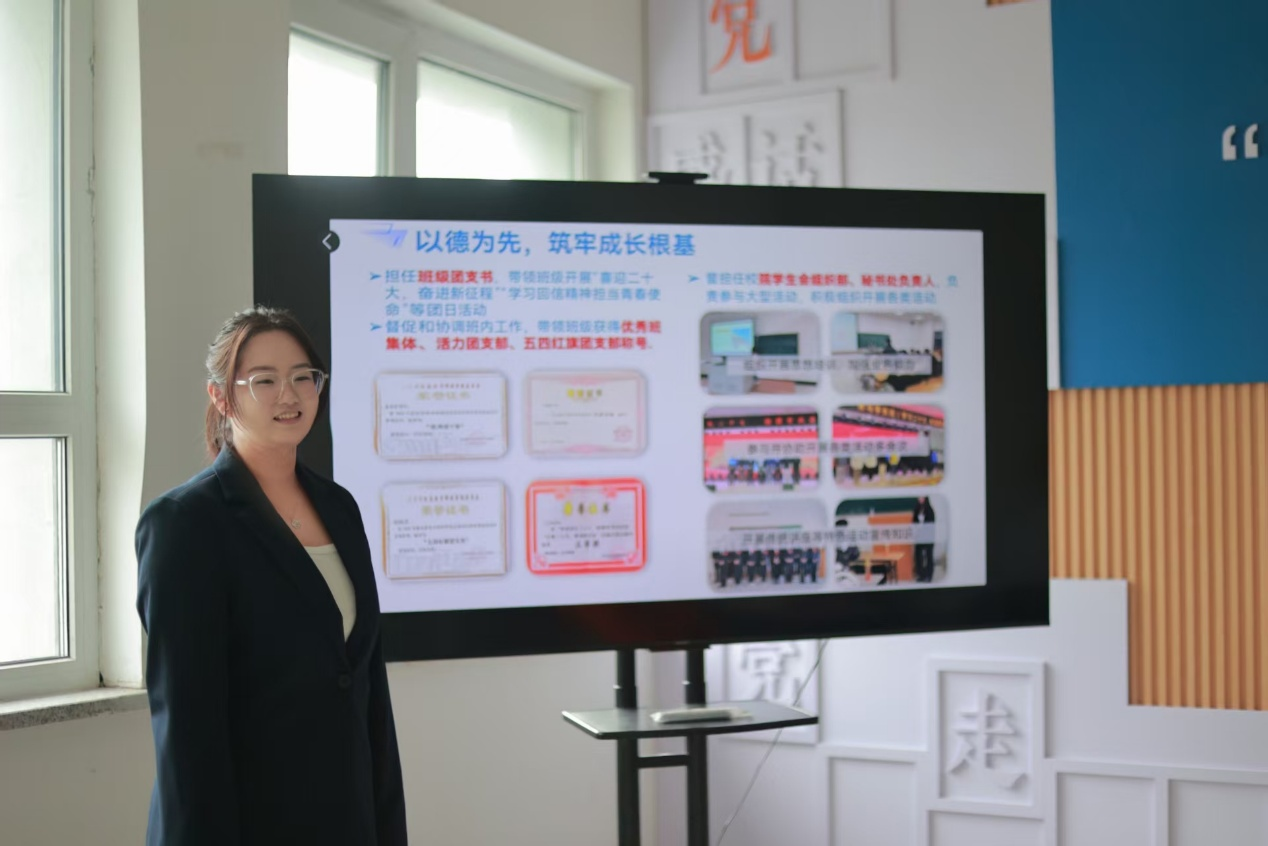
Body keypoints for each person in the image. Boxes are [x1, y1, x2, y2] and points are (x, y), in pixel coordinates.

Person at [135, 307, 408, 845]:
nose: (290, 395)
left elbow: (369, 693)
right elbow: (187, 728)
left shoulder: (340, 507)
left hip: (346, 820)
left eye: (304, 377)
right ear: (221, 397)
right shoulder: (185, 523)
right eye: (264, 380)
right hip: (247, 823)